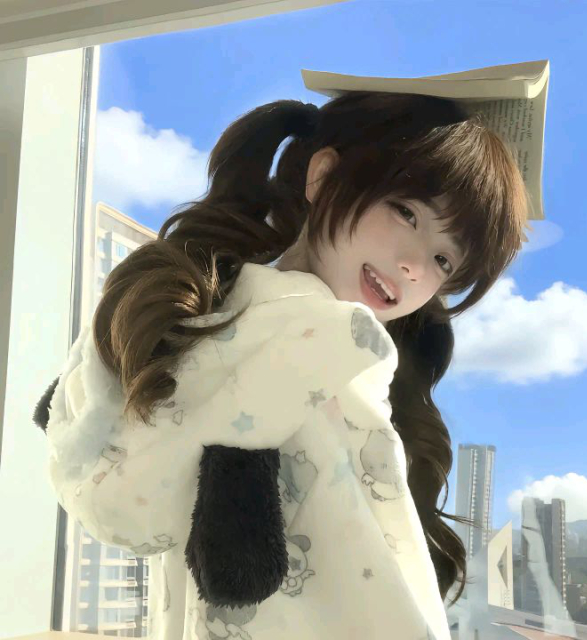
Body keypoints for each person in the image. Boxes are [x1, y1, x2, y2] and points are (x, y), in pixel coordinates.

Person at [34, 90, 531, 640]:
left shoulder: (324, 341)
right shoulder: (294, 332)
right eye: (406, 212)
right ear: (323, 176)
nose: (416, 266)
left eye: (444, 260)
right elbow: (131, 504)